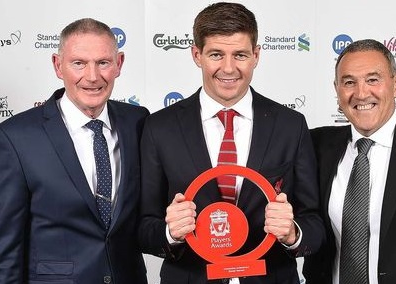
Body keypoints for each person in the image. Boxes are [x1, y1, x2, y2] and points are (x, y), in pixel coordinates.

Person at [138, 2, 325, 284]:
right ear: (196, 54)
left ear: (256, 55)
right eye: (216, 54)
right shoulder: (159, 127)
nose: (228, 68)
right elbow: (143, 228)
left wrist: (292, 233)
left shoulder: (290, 125)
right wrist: (170, 232)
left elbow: (314, 222)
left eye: (240, 55)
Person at [0, 18, 149, 283]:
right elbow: (6, 247)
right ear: (58, 66)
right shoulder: (16, 136)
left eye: (103, 62)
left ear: (119, 64)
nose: (92, 77)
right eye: (79, 63)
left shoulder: (138, 122)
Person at [302, 39, 396, 284]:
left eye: (373, 80)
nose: (361, 93)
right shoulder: (315, 145)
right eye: (349, 82)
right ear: (337, 89)